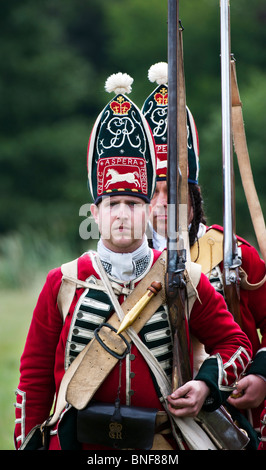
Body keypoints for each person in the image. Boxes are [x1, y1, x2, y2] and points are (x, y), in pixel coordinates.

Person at [14, 72, 252, 451]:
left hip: (160, 445)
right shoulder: (63, 283)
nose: (123, 215)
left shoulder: (185, 277)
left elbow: (234, 343)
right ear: (94, 212)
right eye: (113, 205)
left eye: (134, 204)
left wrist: (206, 384)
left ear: (151, 211)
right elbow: (33, 380)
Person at [143, 62, 266, 448]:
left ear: (194, 198)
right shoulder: (121, 269)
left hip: (231, 418)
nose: (164, 204)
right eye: (153, 193)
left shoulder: (233, 252)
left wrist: (262, 376)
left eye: (175, 192)